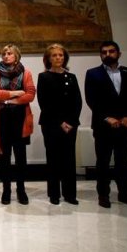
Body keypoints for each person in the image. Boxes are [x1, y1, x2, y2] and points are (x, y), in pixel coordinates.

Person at [85, 41, 127, 209]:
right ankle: (103, 195)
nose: (107, 54)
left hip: (125, 125)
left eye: (111, 51)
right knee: (102, 162)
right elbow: (91, 99)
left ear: (119, 53)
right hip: (103, 126)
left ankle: (125, 194)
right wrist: (106, 117)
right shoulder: (93, 74)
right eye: (104, 52)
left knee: (122, 162)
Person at [0, 44, 35, 205]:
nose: (6, 56)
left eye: (9, 53)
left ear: (17, 56)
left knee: (21, 158)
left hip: (20, 119)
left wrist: (8, 100)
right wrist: (14, 94)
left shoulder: (26, 73)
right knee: (5, 158)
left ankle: (21, 190)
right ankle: (6, 190)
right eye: (4, 54)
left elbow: (30, 94)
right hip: (3, 120)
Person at [37, 43, 82, 205]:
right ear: (48, 59)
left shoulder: (71, 77)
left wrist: (70, 122)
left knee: (69, 159)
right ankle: (54, 194)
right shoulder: (44, 77)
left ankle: (70, 194)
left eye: (61, 55)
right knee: (54, 158)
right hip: (51, 124)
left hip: (71, 125)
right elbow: (45, 103)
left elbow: (77, 102)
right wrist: (60, 122)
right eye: (54, 55)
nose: (58, 58)